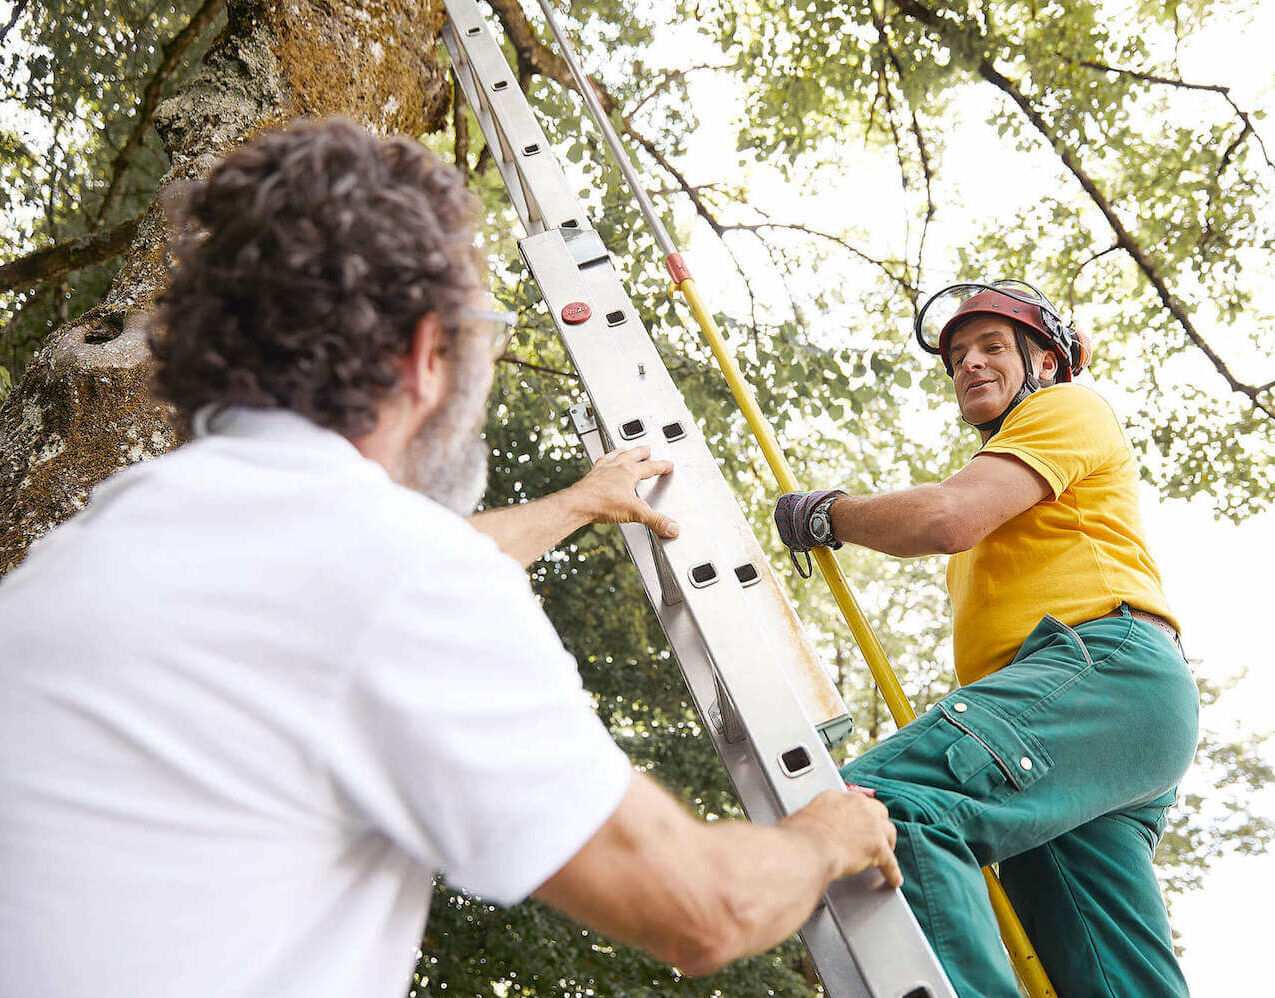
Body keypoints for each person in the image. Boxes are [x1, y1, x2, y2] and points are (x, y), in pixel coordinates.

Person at [0, 118, 900, 998]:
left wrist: (580, 502)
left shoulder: (77, 563)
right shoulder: (388, 573)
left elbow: (343, 593)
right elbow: (704, 909)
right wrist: (827, 834)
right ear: (424, 351)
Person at [774, 281, 1200, 997]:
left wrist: (829, 515)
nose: (969, 363)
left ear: (1048, 364)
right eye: (957, 357)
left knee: (885, 804)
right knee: (1104, 974)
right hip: (1100, 718)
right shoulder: (1014, 485)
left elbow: (946, 518)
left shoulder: (1068, 407)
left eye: (992, 347)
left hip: (1101, 673)